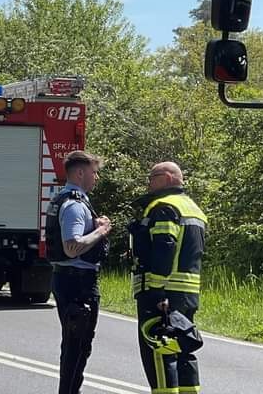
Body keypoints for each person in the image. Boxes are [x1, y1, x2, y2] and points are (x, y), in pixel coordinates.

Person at [130, 162, 207, 394]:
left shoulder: (164, 207)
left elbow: (165, 248)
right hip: (187, 293)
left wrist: (156, 289)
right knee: (183, 349)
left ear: (166, 178)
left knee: (159, 352)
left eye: (151, 177)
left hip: (162, 293)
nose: (148, 183)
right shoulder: (192, 208)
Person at [45, 150, 112, 394]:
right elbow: (71, 247)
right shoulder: (74, 204)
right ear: (80, 173)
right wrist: (102, 231)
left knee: (77, 344)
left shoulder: (68, 199)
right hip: (78, 284)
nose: (96, 178)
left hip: (70, 280)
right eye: (94, 173)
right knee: (77, 346)